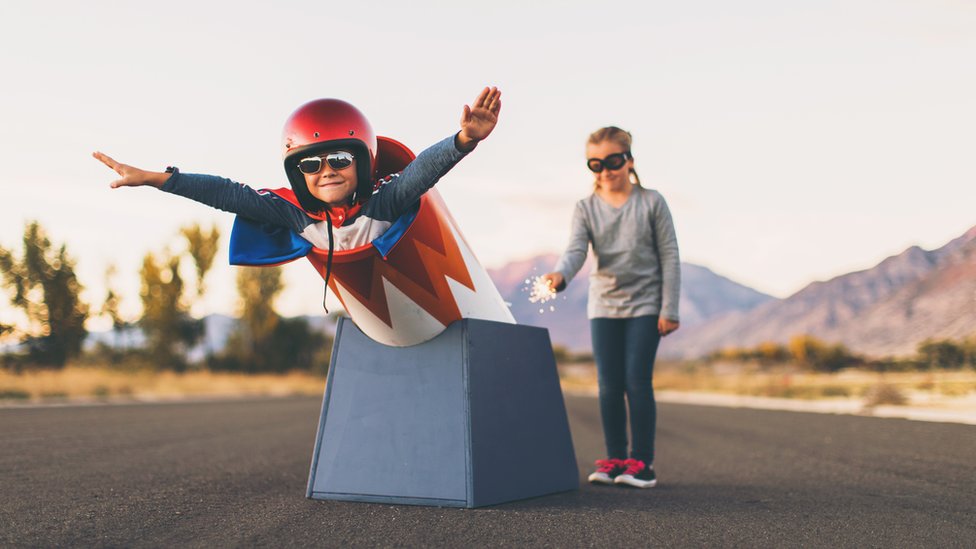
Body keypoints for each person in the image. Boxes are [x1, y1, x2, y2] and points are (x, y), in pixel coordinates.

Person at [93, 87, 502, 283]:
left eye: (341, 159)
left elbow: (421, 173)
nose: (326, 170)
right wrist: (155, 179)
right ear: (296, 173)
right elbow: (226, 193)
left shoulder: (384, 201)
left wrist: (464, 140)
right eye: (310, 163)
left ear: (363, 163)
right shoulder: (292, 212)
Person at [542, 126, 680, 489]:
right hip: (603, 304)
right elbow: (575, 250)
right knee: (608, 385)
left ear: (629, 160)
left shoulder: (652, 202)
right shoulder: (586, 208)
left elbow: (670, 257)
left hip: (647, 304)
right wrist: (561, 275)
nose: (605, 170)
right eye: (595, 163)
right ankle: (616, 459)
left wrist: (670, 308)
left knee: (636, 382)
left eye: (613, 160)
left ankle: (642, 463)